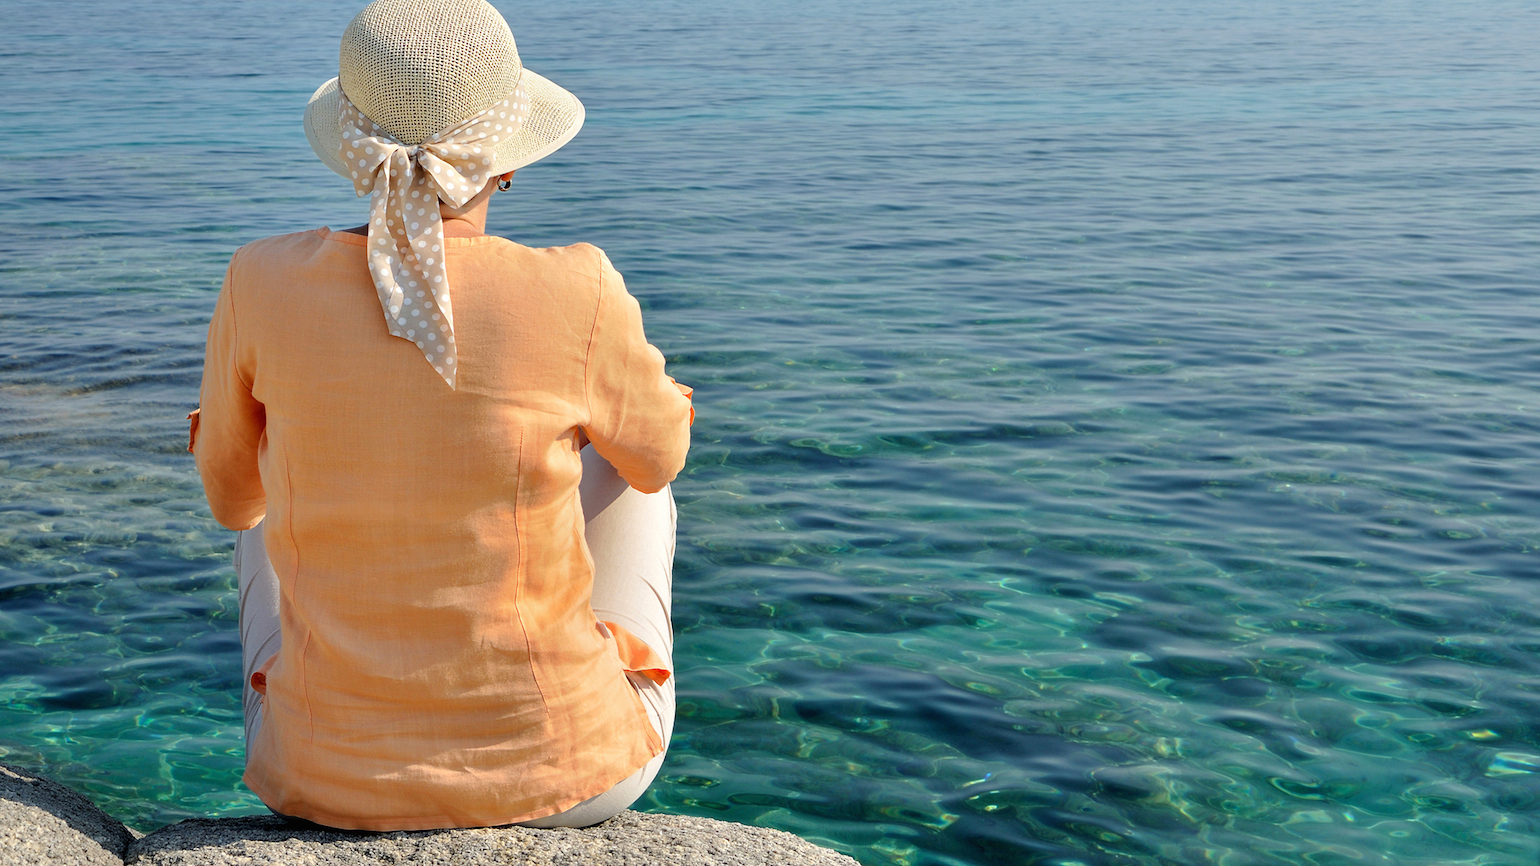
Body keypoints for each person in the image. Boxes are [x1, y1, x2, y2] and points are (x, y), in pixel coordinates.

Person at [188, 0, 693, 831]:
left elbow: (232, 501)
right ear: (506, 163)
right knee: (634, 472)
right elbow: (658, 458)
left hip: (325, 780)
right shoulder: (579, 287)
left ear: (354, 154)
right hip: (567, 778)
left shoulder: (258, 280)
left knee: (264, 491)